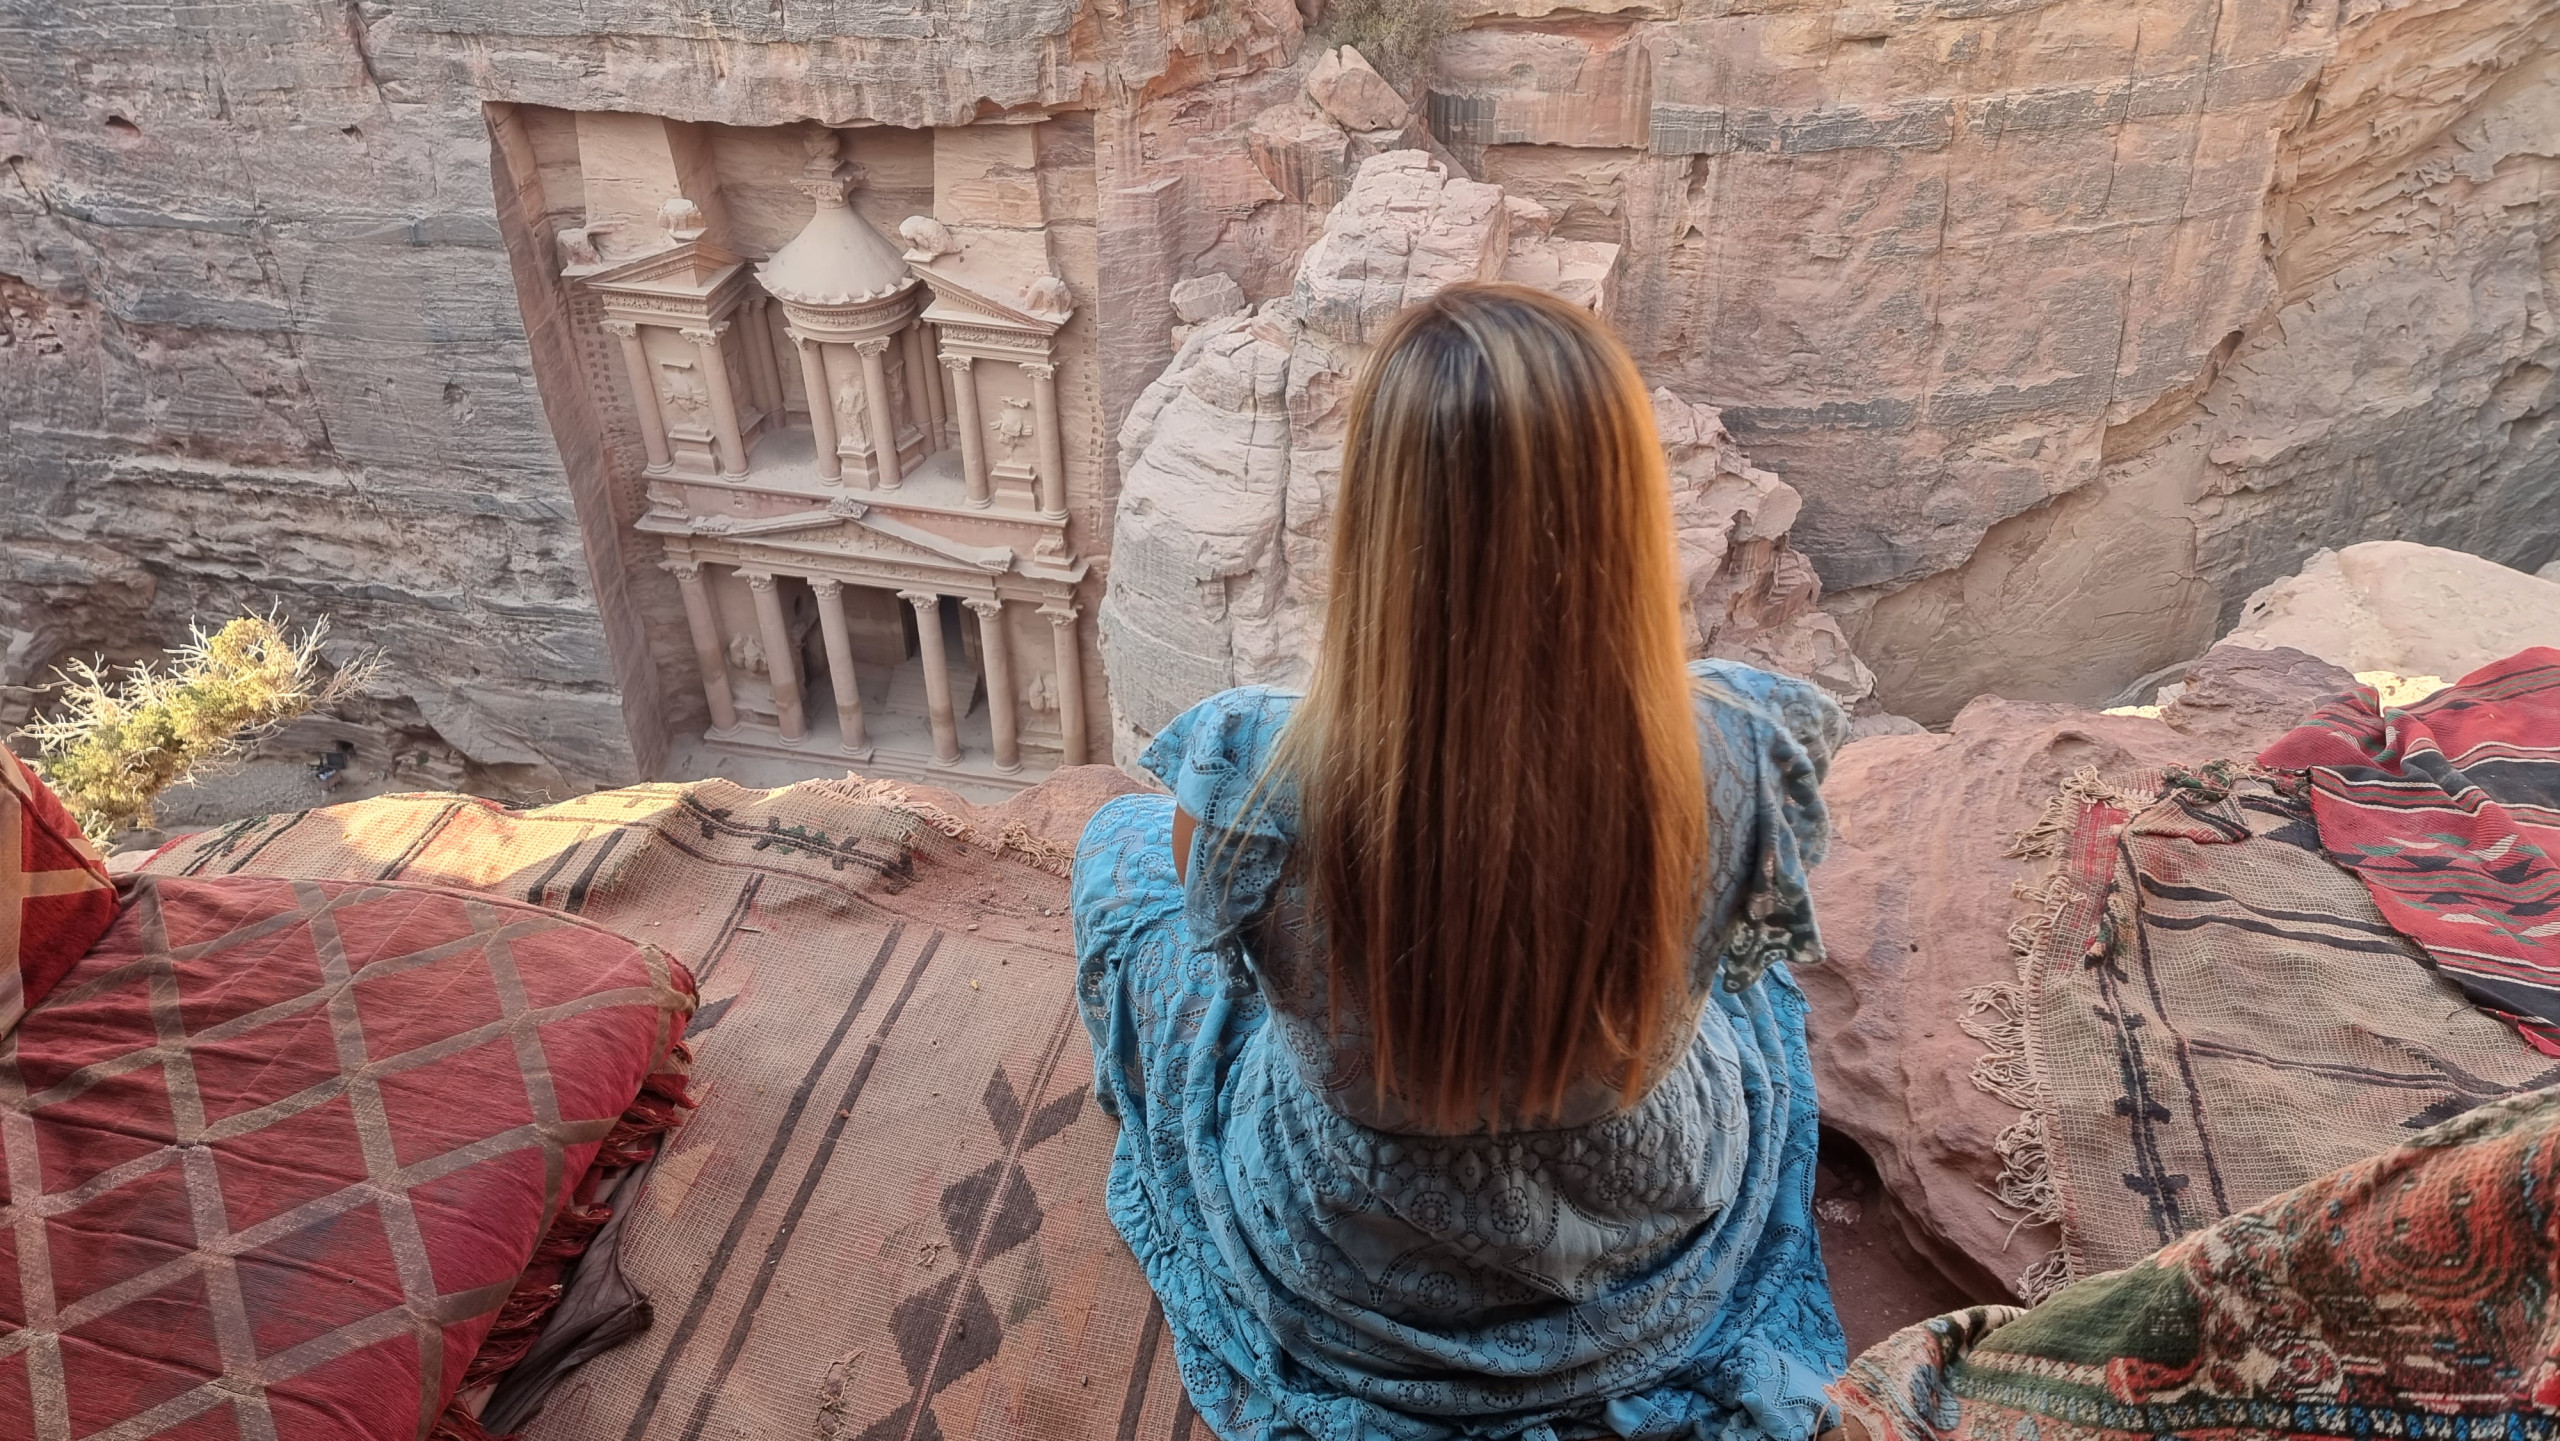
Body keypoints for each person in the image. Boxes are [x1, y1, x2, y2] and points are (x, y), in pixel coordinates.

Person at [1072, 283, 1851, 1440]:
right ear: (1624, 505)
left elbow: (1234, 967)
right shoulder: (1739, 742)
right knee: (1749, 994)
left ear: (1377, 516)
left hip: (1355, 1256)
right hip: (1649, 1230)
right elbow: (1735, 957)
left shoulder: (1254, 767)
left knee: (1118, 846)